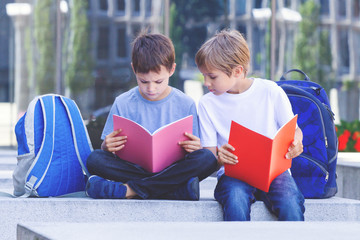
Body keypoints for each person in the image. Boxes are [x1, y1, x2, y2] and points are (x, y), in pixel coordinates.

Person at [85, 31, 218, 200]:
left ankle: (130, 190)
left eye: (158, 81)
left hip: (172, 169)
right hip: (136, 168)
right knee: (95, 159)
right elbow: (106, 151)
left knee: (207, 158)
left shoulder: (186, 103)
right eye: (144, 81)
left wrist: (195, 148)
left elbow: (195, 154)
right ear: (134, 69)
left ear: (172, 70)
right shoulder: (123, 102)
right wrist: (106, 147)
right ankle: (175, 191)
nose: (151, 88)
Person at [195, 29, 305, 220]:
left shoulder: (270, 91)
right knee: (235, 199)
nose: (206, 82)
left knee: (290, 201)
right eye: (204, 75)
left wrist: (296, 142)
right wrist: (221, 157)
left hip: (274, 173)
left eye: (212, 77)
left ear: (237, 71)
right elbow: (210, 156)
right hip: (234, 174)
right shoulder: (207, 104)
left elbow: (294, 130)